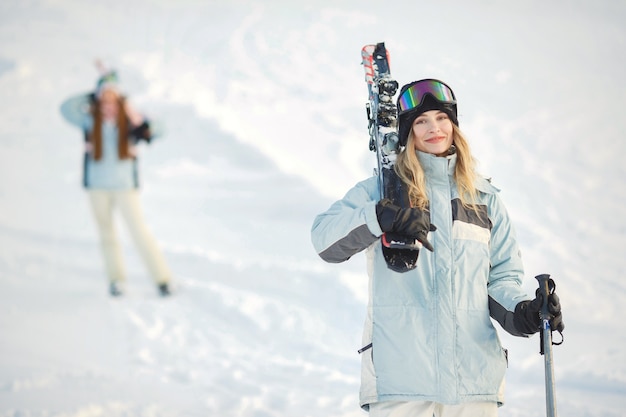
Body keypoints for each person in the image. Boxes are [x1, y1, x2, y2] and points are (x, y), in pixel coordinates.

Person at [311, 79, 564, 416]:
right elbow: (324, 238)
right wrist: (377, 218)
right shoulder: (382, 192)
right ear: (407, 132)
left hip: (473, 385)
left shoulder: (484, 199)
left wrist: (525, 313)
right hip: (401, 383)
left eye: (442, 118)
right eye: (421, 121)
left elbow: (501, 280)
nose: (434, 128)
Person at [60, 63, 173, 297]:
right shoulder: (90, 121)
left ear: (120, 100)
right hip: (97, 188)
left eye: (113, 98)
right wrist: (94, 91)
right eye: (104, 99)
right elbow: (65, 108)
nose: (108, 104)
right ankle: (116, 280)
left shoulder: (131, 123)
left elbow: (160, 130)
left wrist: (134, 113)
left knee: (138, 231)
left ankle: (162, 279)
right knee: (107, 234)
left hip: (124, 188)